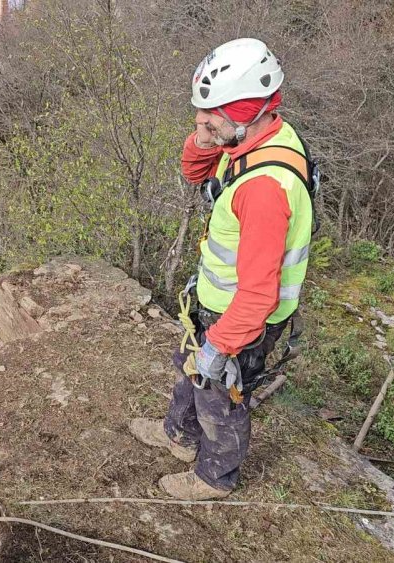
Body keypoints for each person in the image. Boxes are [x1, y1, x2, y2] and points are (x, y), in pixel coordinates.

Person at [130, 38, 315, 500]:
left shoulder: (266, 188)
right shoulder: (256, 138)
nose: (200, 123)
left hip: (243, 317)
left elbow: (258, 293)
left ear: (246, 112)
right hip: (217, 303)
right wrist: (206, 136)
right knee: (189, 369)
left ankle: (215, 477)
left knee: (220, 398)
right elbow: (195, 172)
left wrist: (221, 344)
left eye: (210, 116)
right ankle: (179, 434)